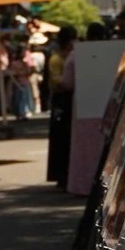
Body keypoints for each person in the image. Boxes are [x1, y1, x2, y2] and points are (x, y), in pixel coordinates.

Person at [45, 24, 77, 187]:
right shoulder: (56, 59)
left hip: (68, 98)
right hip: (61, 100)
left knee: (67, 137)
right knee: (61, 137)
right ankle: (60, 175)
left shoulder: (69, 56)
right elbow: (56, 81)